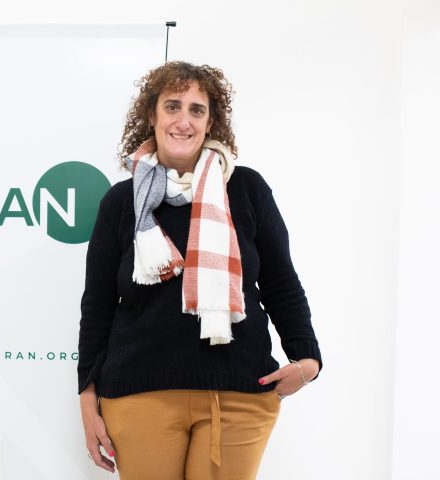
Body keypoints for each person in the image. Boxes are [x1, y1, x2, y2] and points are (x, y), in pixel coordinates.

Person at [77, 61, 322, 480]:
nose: (183, 121)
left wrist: (308, 358)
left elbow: (281, 283)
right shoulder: (122, 202)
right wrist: (87, 400)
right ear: (151, 115)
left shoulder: (246, 189)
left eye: (197, 110)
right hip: (139, 393)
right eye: (172, 106)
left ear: (210, 123)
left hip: (238, 394)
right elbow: (97, 305)